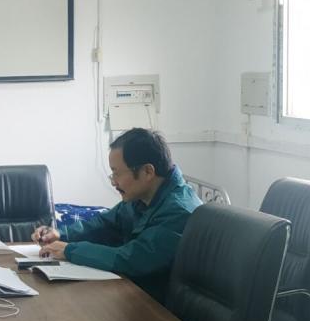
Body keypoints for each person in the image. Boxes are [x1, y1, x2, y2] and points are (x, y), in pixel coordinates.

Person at [33, 128, 200, 301]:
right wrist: (61, 234)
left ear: (147, 172)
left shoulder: (178, 211)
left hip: (157, 307)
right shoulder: (142, 196)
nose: (113, 182)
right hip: (134, 293)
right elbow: (104, 223)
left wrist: (70, 250)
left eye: (117, 173)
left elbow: (132, 259)